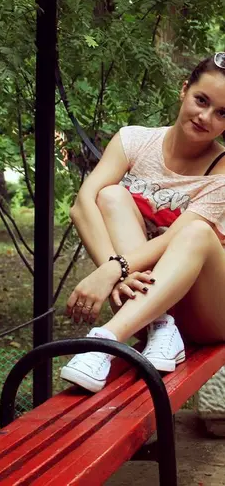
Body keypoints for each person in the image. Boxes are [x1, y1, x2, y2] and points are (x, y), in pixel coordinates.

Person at [60, 53, 225, 393]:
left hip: (209, 310)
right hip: (149, 300)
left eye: (222, 113)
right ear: (184, 90)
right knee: (110, 195)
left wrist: (113, 270)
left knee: (196, 232)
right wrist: (112, 269)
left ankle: (105, 341)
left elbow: (173, 238)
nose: (206, 117)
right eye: (201, 100)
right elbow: (82, 205)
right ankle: (160, 326)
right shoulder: (134, 141)